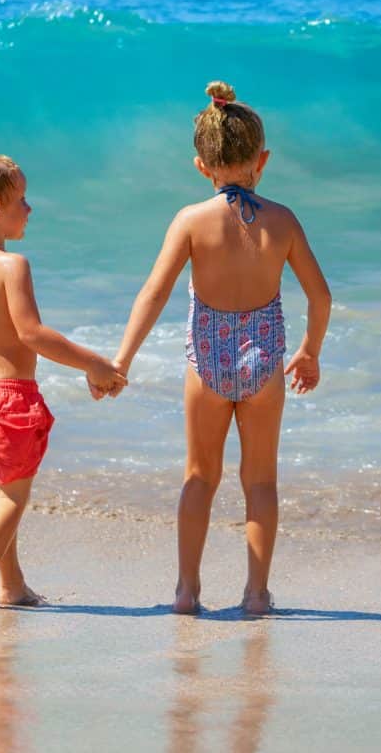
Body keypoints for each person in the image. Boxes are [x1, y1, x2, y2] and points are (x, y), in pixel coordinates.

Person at [114, 82, 331, 615]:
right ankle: (256, 593)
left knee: (198, 476)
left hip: (206, 360)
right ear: (263, 160)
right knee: (259, 480)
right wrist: (309, 351)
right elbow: (321, 295)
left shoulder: (190, 220)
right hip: (265, 360)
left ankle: (187, 590)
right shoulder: (282, 220)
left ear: (200, 165)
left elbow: (155, 292)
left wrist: (121, 360)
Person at [0, 151, 127, 612]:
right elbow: (31, 334)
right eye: (22, 201)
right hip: (8, 398)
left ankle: (12, 584)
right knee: (12, 500)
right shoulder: (13, 267)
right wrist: (93, 363)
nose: (29, 209)